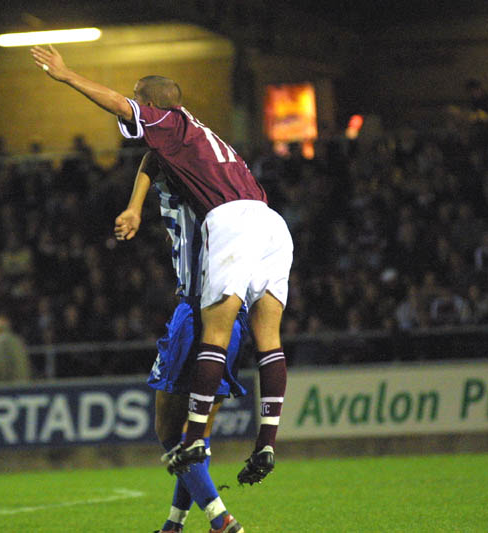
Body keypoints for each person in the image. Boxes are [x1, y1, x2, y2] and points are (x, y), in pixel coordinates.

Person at [31, 46, 293, 491]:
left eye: (140, 100)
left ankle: (193, 439)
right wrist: (135, 206)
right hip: (271, 223)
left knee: (214, 331)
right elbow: (153, 158)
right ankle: (267, 441)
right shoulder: (202, 137)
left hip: (229, 220)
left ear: (153, 103)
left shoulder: (168, 120)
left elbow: (118, 103)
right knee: (269, 340)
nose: (134, 111)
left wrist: (67, 75)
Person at [115, 152, 250, 533]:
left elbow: (153, 156)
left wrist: (134, 207)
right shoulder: (237, 196)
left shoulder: (186, 182)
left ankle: (221, 519)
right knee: (198, 436)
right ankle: (173, 526)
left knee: (168, 430)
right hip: (234, 317)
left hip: (195, 313)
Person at [0, 314, 31, 383]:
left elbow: (0, 366)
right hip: (22, 381)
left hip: (9, 384)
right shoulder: (16, 339)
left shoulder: (1, 341)